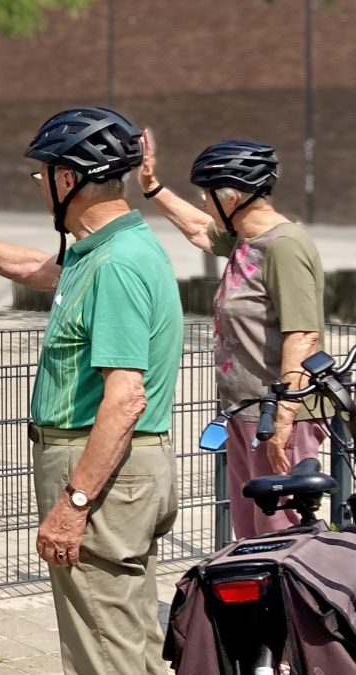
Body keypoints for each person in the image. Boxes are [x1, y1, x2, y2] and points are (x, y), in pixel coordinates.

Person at [0, 107, 182, 675]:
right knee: (123, 637)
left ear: (68, 178)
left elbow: (126, 398)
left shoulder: (117, 264)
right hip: (110, 469)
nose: (39, 186)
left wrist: (73, 504)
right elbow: (36, 266)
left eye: (43, 173)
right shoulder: (100, 249)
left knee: (104, 651)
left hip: (98, 468)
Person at [138, 134, 328, 538]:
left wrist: (282, 420)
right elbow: (197, 229)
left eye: (207, 195)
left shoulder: (284, 246)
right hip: (245, 413)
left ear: (230, 198)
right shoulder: (247, 240)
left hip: (278, 418)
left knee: (282, 532)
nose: (204, 203)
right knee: (252, 533)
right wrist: (152, 187)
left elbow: (304, 334)